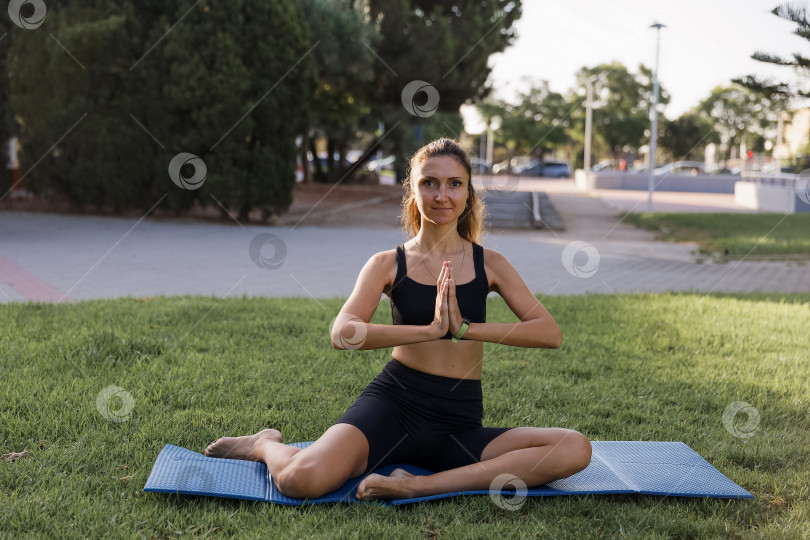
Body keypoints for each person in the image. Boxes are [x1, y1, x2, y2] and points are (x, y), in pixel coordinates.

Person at [205, 138, 592, 500]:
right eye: (430, 183)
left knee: (575, 447)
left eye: (454, 184)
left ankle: (419, 486)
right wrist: (428, 331)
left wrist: (464, 329)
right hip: (391, 407)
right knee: (298, 479)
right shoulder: (388, 263)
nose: (442, 196)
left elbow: (549, 333)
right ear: (413, 191)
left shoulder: (490, 264)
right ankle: (264, 444)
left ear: (468, 193)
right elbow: (343, 333)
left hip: (457, 422)